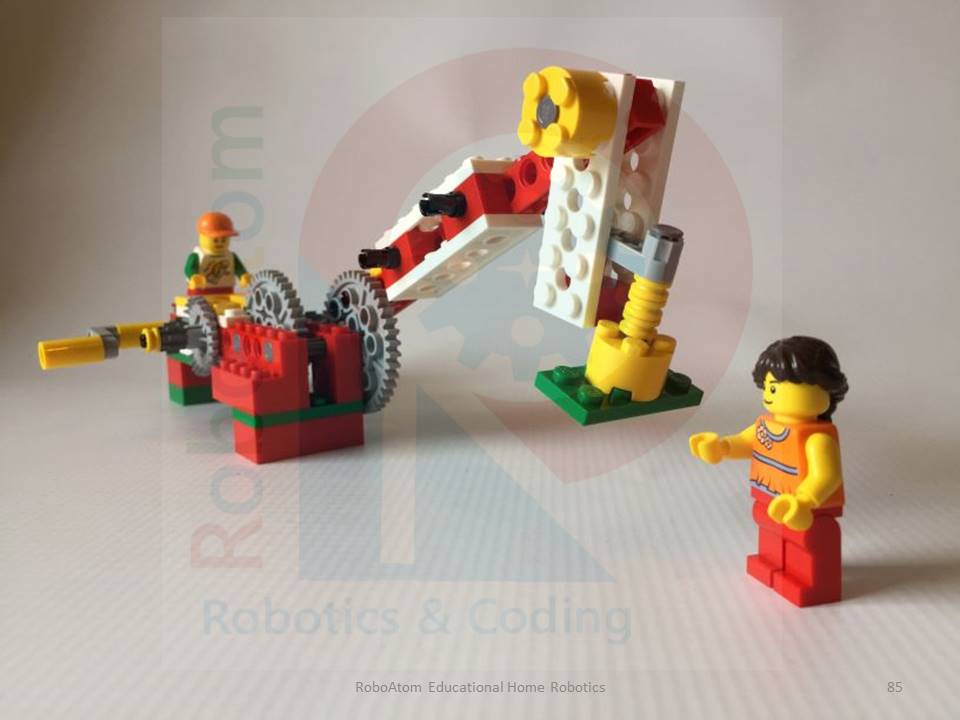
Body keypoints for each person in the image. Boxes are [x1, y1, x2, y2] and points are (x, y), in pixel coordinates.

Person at [689, 336, 849, 606]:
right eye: (768, 386)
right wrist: (721, 447)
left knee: (809, 539)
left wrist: (804, 501)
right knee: (770, 531)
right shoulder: (766, 426)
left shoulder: (817, 438)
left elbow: (826, 476)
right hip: (769, 497)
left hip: (805, 508)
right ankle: (772, 563)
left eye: (778, 386)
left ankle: (812, 580)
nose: (770, 393)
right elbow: (745, 442)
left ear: (824, 388)